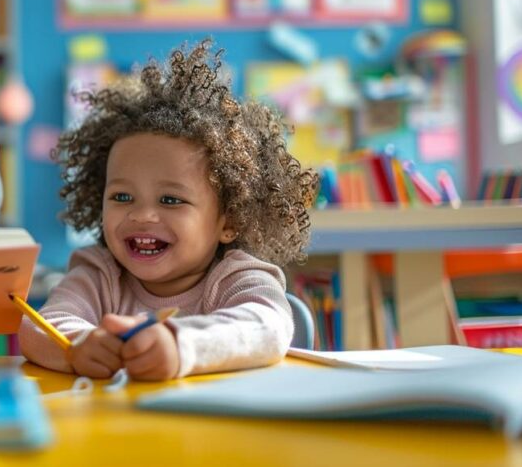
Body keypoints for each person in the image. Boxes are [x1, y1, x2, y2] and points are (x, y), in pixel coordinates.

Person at [20, 41, 318, 381]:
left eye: (171, 200)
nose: (142, 215)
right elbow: (39, 326)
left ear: (230, 220)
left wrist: (181, 345)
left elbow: (268, 326)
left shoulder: (236, 276)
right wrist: (78, 345)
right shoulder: (99, 273)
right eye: (121, 197)